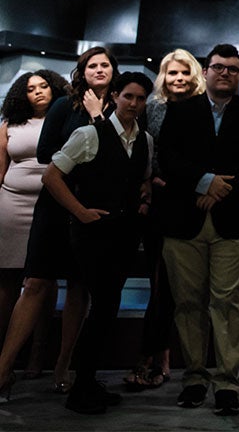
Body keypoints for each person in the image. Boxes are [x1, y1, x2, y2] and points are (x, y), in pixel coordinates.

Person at [157, 43, 239, 417]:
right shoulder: (181, 110)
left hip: (233, 218)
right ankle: (193, 378)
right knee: (188, 301)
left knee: (228, 301)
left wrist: (222, 188)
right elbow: (168, 156)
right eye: (219, 67)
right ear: (205, 71)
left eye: (234, 69)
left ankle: (226, 382)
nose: (226, 73)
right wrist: (204, 182)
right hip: (184, 217)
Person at [0, 46, 116, 400]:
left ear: (114, 70)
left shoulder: (119, 107)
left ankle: (64, 366)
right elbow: (46, 152)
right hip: (55, 205)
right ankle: (3, 370)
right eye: (91, 64)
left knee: (79, 287)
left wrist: (100, 122)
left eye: (105, 64)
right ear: (81, 72)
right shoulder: (66, 106)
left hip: (94, 207)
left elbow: (121, 160)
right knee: (35, 282)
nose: (99, 69)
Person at [42, 71, 155, 414]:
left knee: (106, 310)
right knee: (102, 306)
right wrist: (80, 211)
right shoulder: (88, 134)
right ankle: (80, 390)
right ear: (115, 97)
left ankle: (88, 382)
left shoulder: (146, 140)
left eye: (140, 98)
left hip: (124, 235)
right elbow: (52, 175)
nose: (134, 104)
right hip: (92, 235)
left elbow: (143, 179)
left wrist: (145, 196)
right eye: (128, 97)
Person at [123, 48, 206, 392]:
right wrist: (149, 181)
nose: (179, 79)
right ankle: (151, 359)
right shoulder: (152, 107)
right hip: (158, 206)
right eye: (172, 73)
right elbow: (142, 151)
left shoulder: (204, 109)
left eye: (185, 73)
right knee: (161, 288)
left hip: (194, 203)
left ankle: (163, 360)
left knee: (177, 290)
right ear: (163, 76)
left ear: (195, 76)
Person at [0, 69, 70, 388]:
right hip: (11, 206)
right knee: (9, 280)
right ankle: (6, 356)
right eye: (30, 88)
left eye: (43, 86)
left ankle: (38, 355)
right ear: (21, 94)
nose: (38, 92)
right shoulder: (9, 124)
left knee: (43, 280)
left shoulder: (65, 119)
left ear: (54, 89)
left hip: (52, 206)